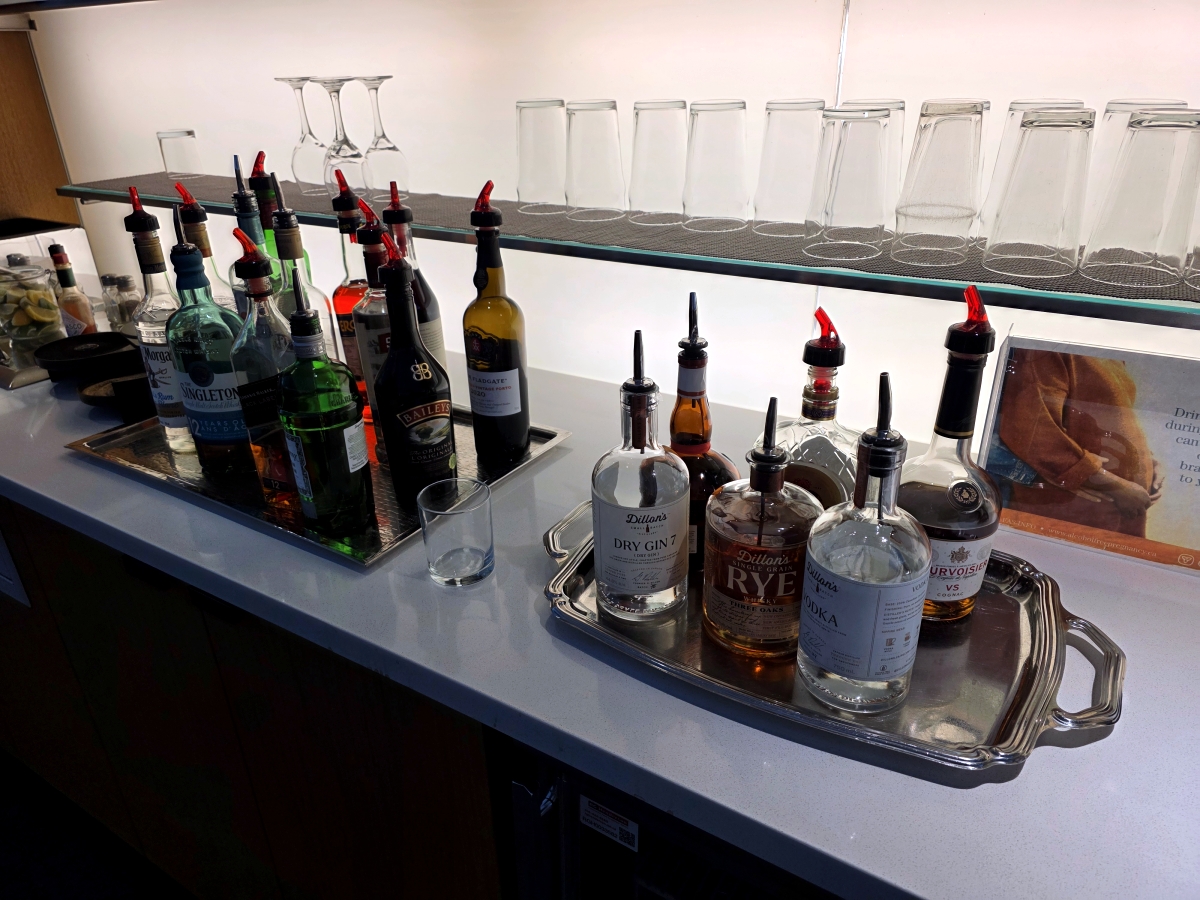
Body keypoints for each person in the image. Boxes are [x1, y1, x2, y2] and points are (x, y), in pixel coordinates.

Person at [997, 348, 1163, 537]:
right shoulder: (1046, 350)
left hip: (1115, 510)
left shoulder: (1108, 351)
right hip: (1077, 511)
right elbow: (1033, 433)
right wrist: (1111, 485)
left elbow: (1115, 418)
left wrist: (1148, 460)